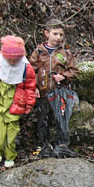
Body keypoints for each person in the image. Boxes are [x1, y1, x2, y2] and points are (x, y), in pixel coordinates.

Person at [0, 35, 37, 168]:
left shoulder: (26, 68)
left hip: (15, 103)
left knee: (12, 131)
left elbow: (30, 87)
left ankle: (10, 156)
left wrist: (29, 104)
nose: (13, 62)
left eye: (16, 60)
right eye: (10, 60)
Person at [29, 19, 79, 159]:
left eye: (61, 34)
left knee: (61, 118)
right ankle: (42, 146)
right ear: (47, 33)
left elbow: (74, 71)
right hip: (44, 92)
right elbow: (30, 71)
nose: (58, 38)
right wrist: (34, 87)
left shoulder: (65, 53)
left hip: (59, 92)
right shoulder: (39, 52)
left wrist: (63, 76)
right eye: (55, 34)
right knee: (43, 119)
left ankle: (61, 145)